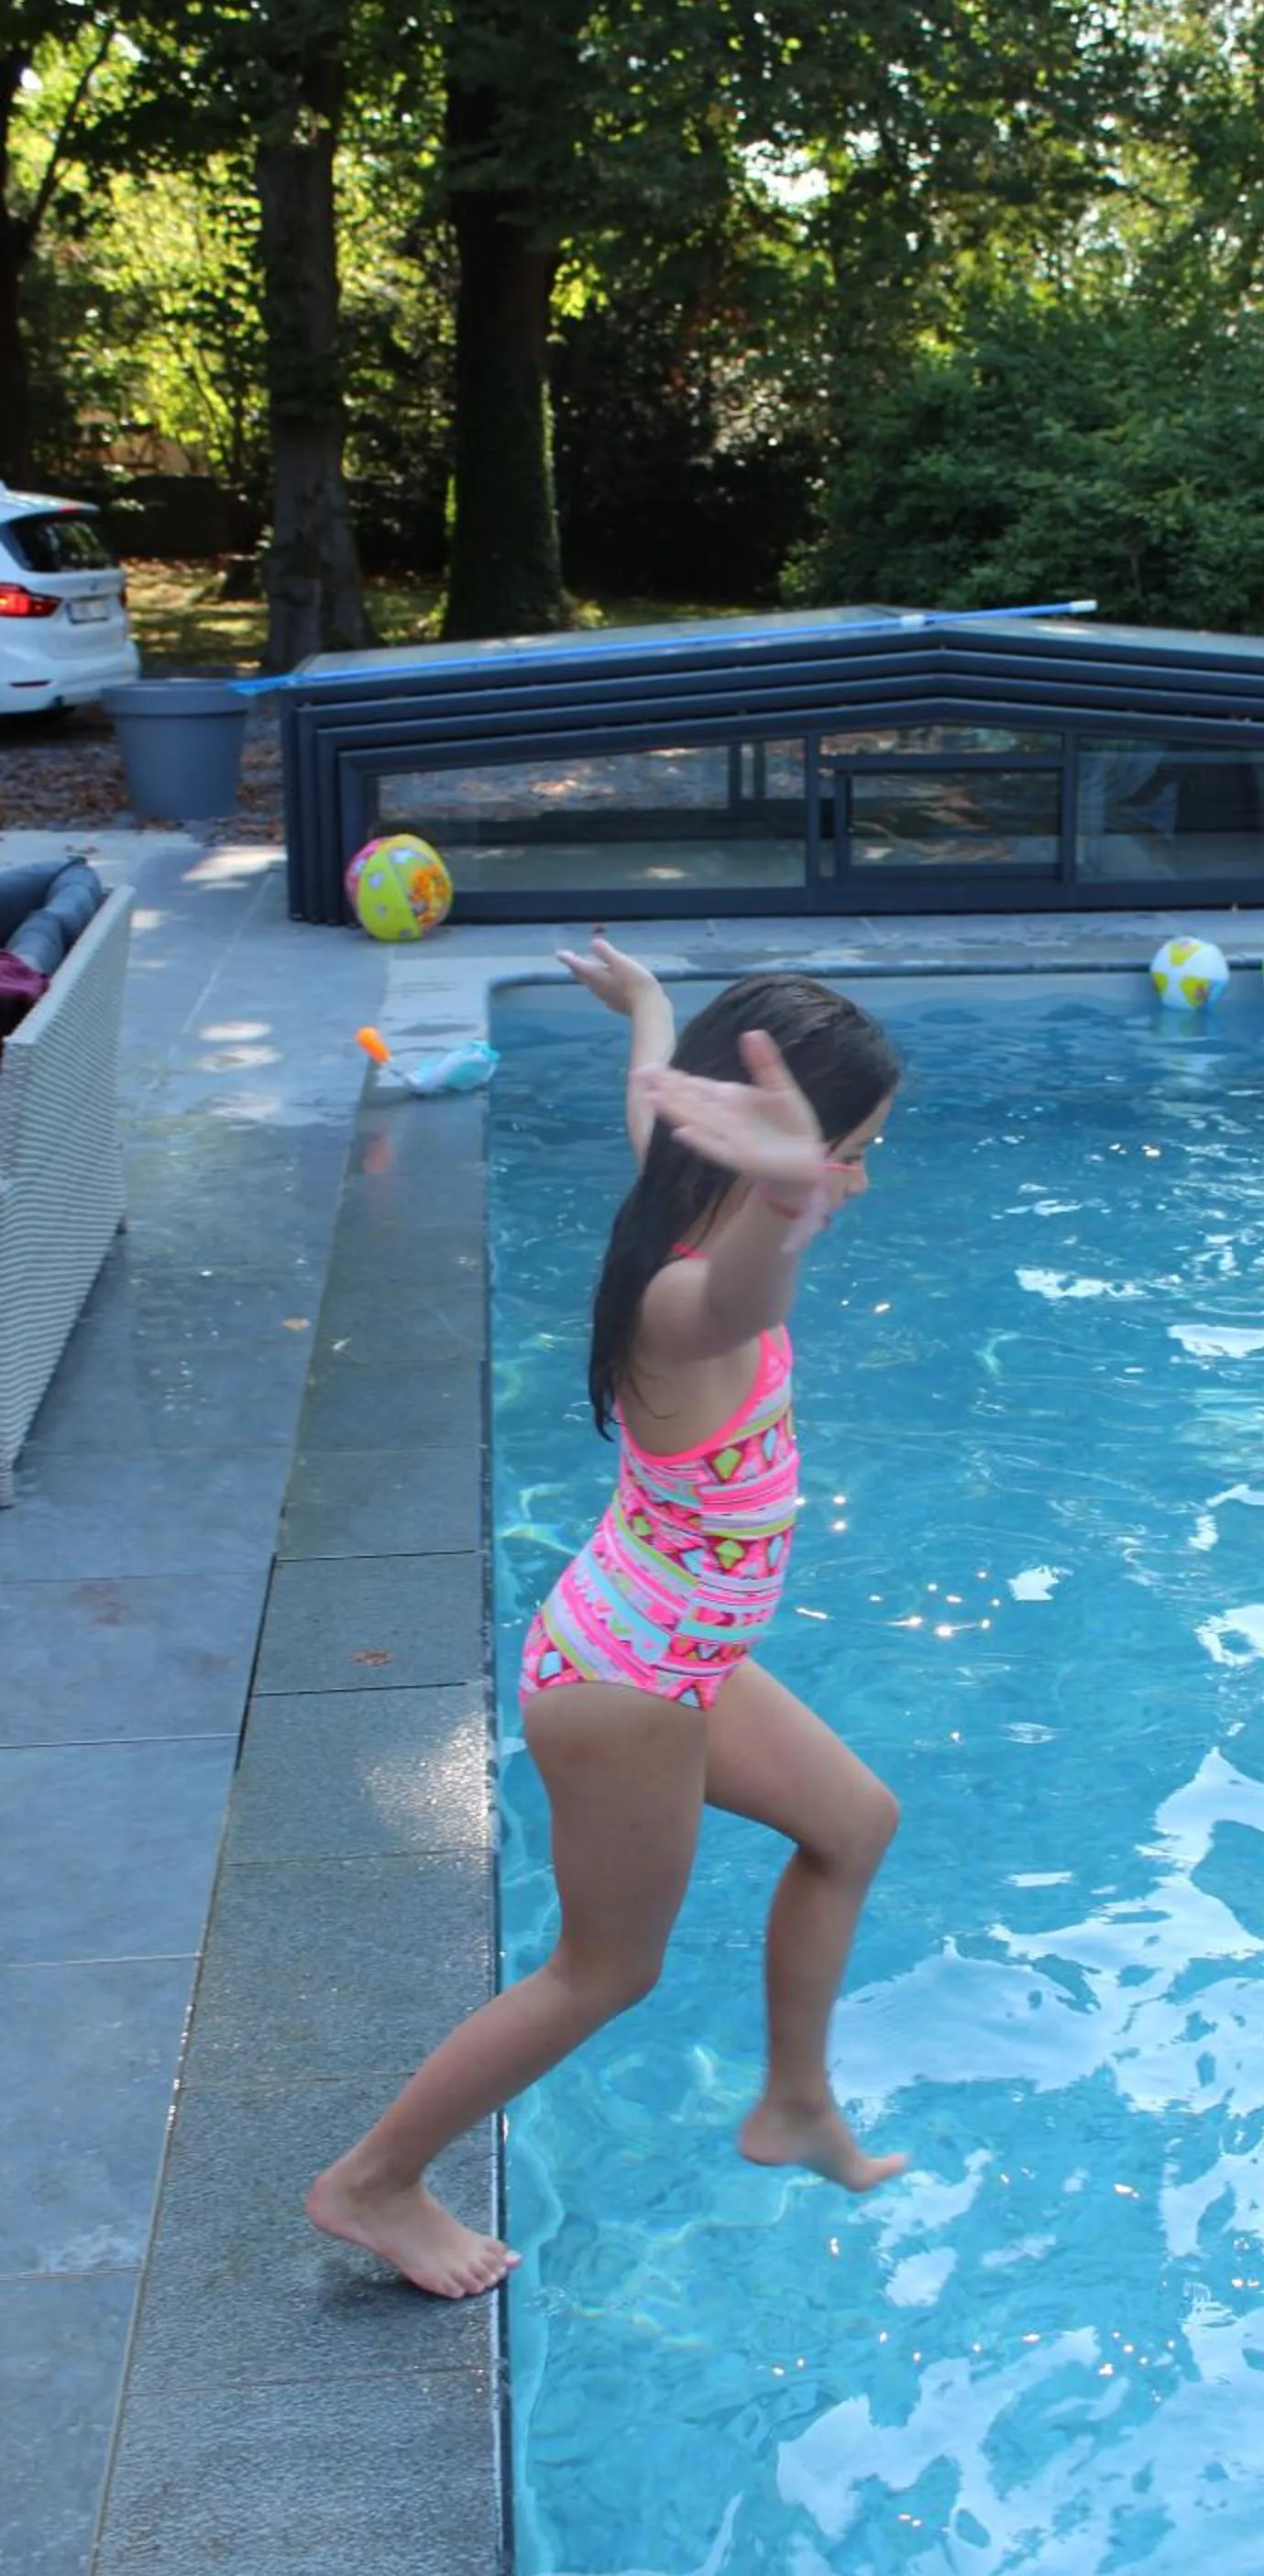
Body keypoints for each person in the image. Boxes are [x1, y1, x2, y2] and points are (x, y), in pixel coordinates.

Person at [309, 941, 907, 2299]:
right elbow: (750, 1291)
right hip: (626, 1683)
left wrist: (644, 1006)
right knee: (603, 1972)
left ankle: (794, 2100)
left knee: (855, 1824)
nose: (861, 1181)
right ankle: (374, 2181)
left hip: (677, 1652)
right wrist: (789, 1189)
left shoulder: (674, 1196)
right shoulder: (686, 1305)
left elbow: (655, 1096)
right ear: (767, 1158)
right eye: (854, 1154)